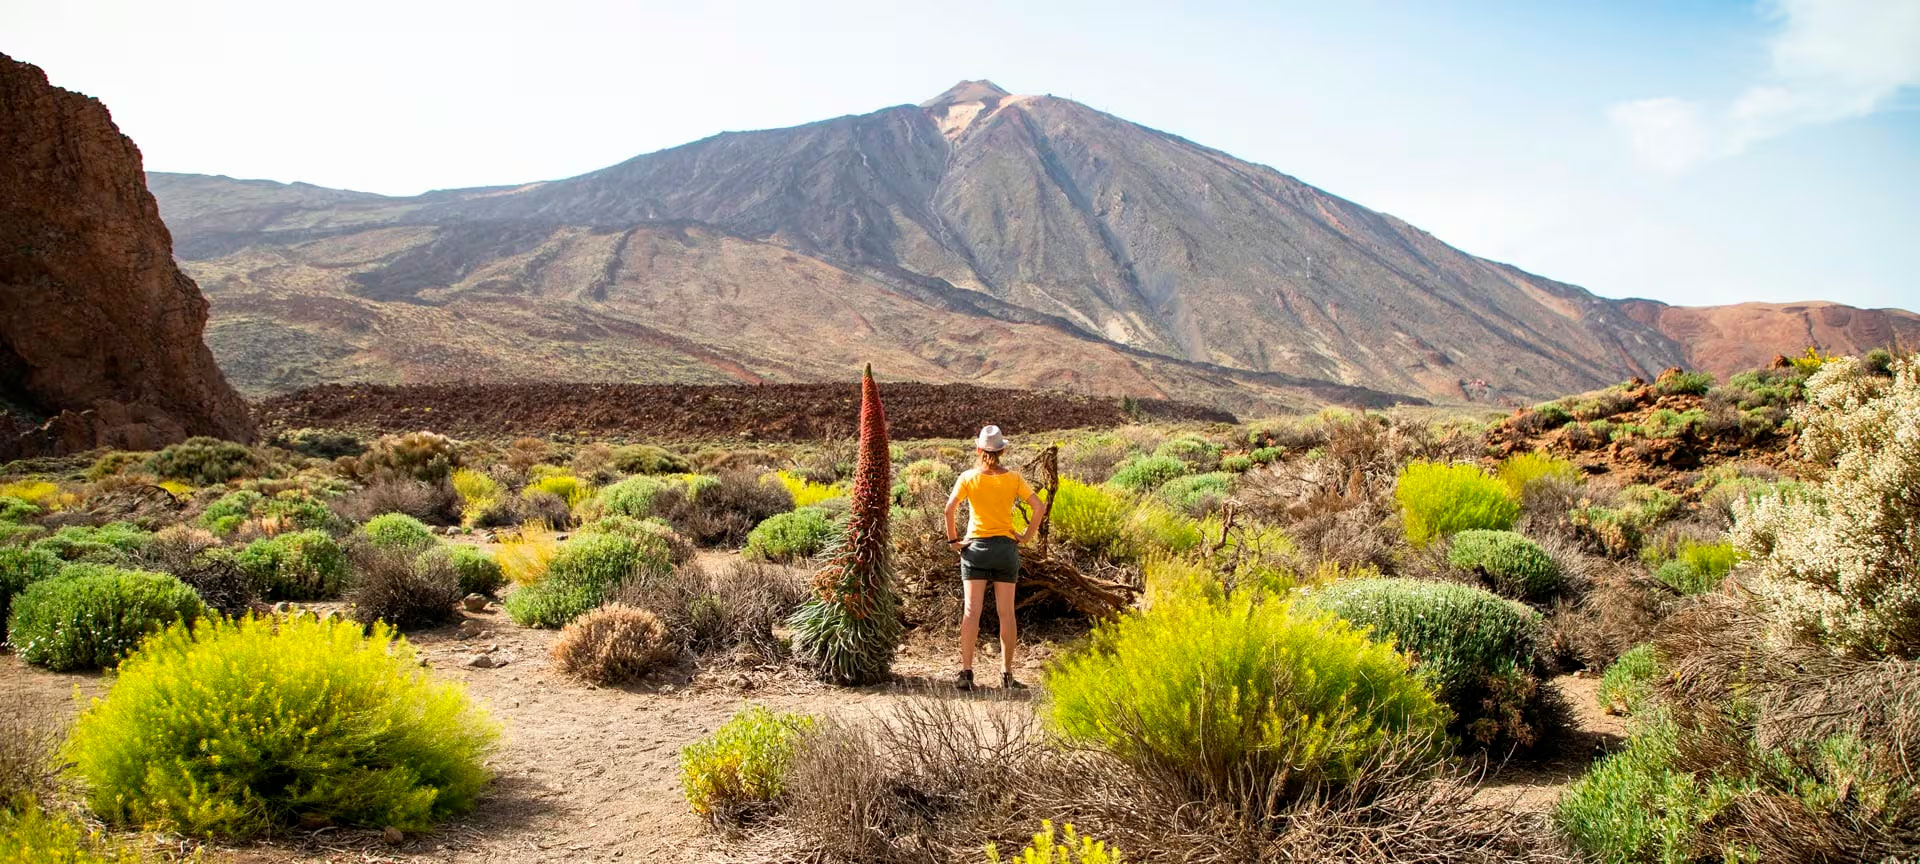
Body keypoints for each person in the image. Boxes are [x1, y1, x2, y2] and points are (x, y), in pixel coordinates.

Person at [944, 424, 1048, 691]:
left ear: (978, 449)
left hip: (975, 550)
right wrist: (1025, 536)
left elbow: (949, 509)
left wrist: (954, 541)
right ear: (1002, 450)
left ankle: (966, 673)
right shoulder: (1013, 478)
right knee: (1006, 614)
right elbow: (1039, 506)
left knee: (971, 612)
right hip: (1005, 550)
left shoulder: (968, 477)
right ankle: (1007, 675)